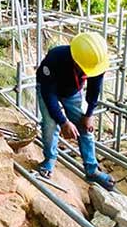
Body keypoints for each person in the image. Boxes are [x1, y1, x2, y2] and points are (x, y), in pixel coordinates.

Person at [36, 32, 114, 190]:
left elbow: (94, 88)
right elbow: (49, 94)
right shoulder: (55, 58)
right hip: (48, 89)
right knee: (51, 125)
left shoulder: (96, 63)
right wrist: (64, 122)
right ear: (75, 59)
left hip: (72, 92)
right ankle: (49, 159)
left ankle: (92, 170)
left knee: (84, 127)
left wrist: (89, 114)